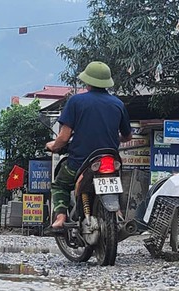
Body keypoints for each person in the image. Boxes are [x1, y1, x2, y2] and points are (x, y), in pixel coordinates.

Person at [45, 61, 132, 232]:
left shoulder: (76, 101)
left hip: (80, 162)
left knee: (60, 185)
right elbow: (127, 136)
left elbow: (63, 138)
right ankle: (118, 213)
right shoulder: (118, 104)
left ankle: (61, 217)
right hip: (111, 161)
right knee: (116, 183)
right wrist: (114, 138)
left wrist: (53, 146)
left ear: (88, 81)